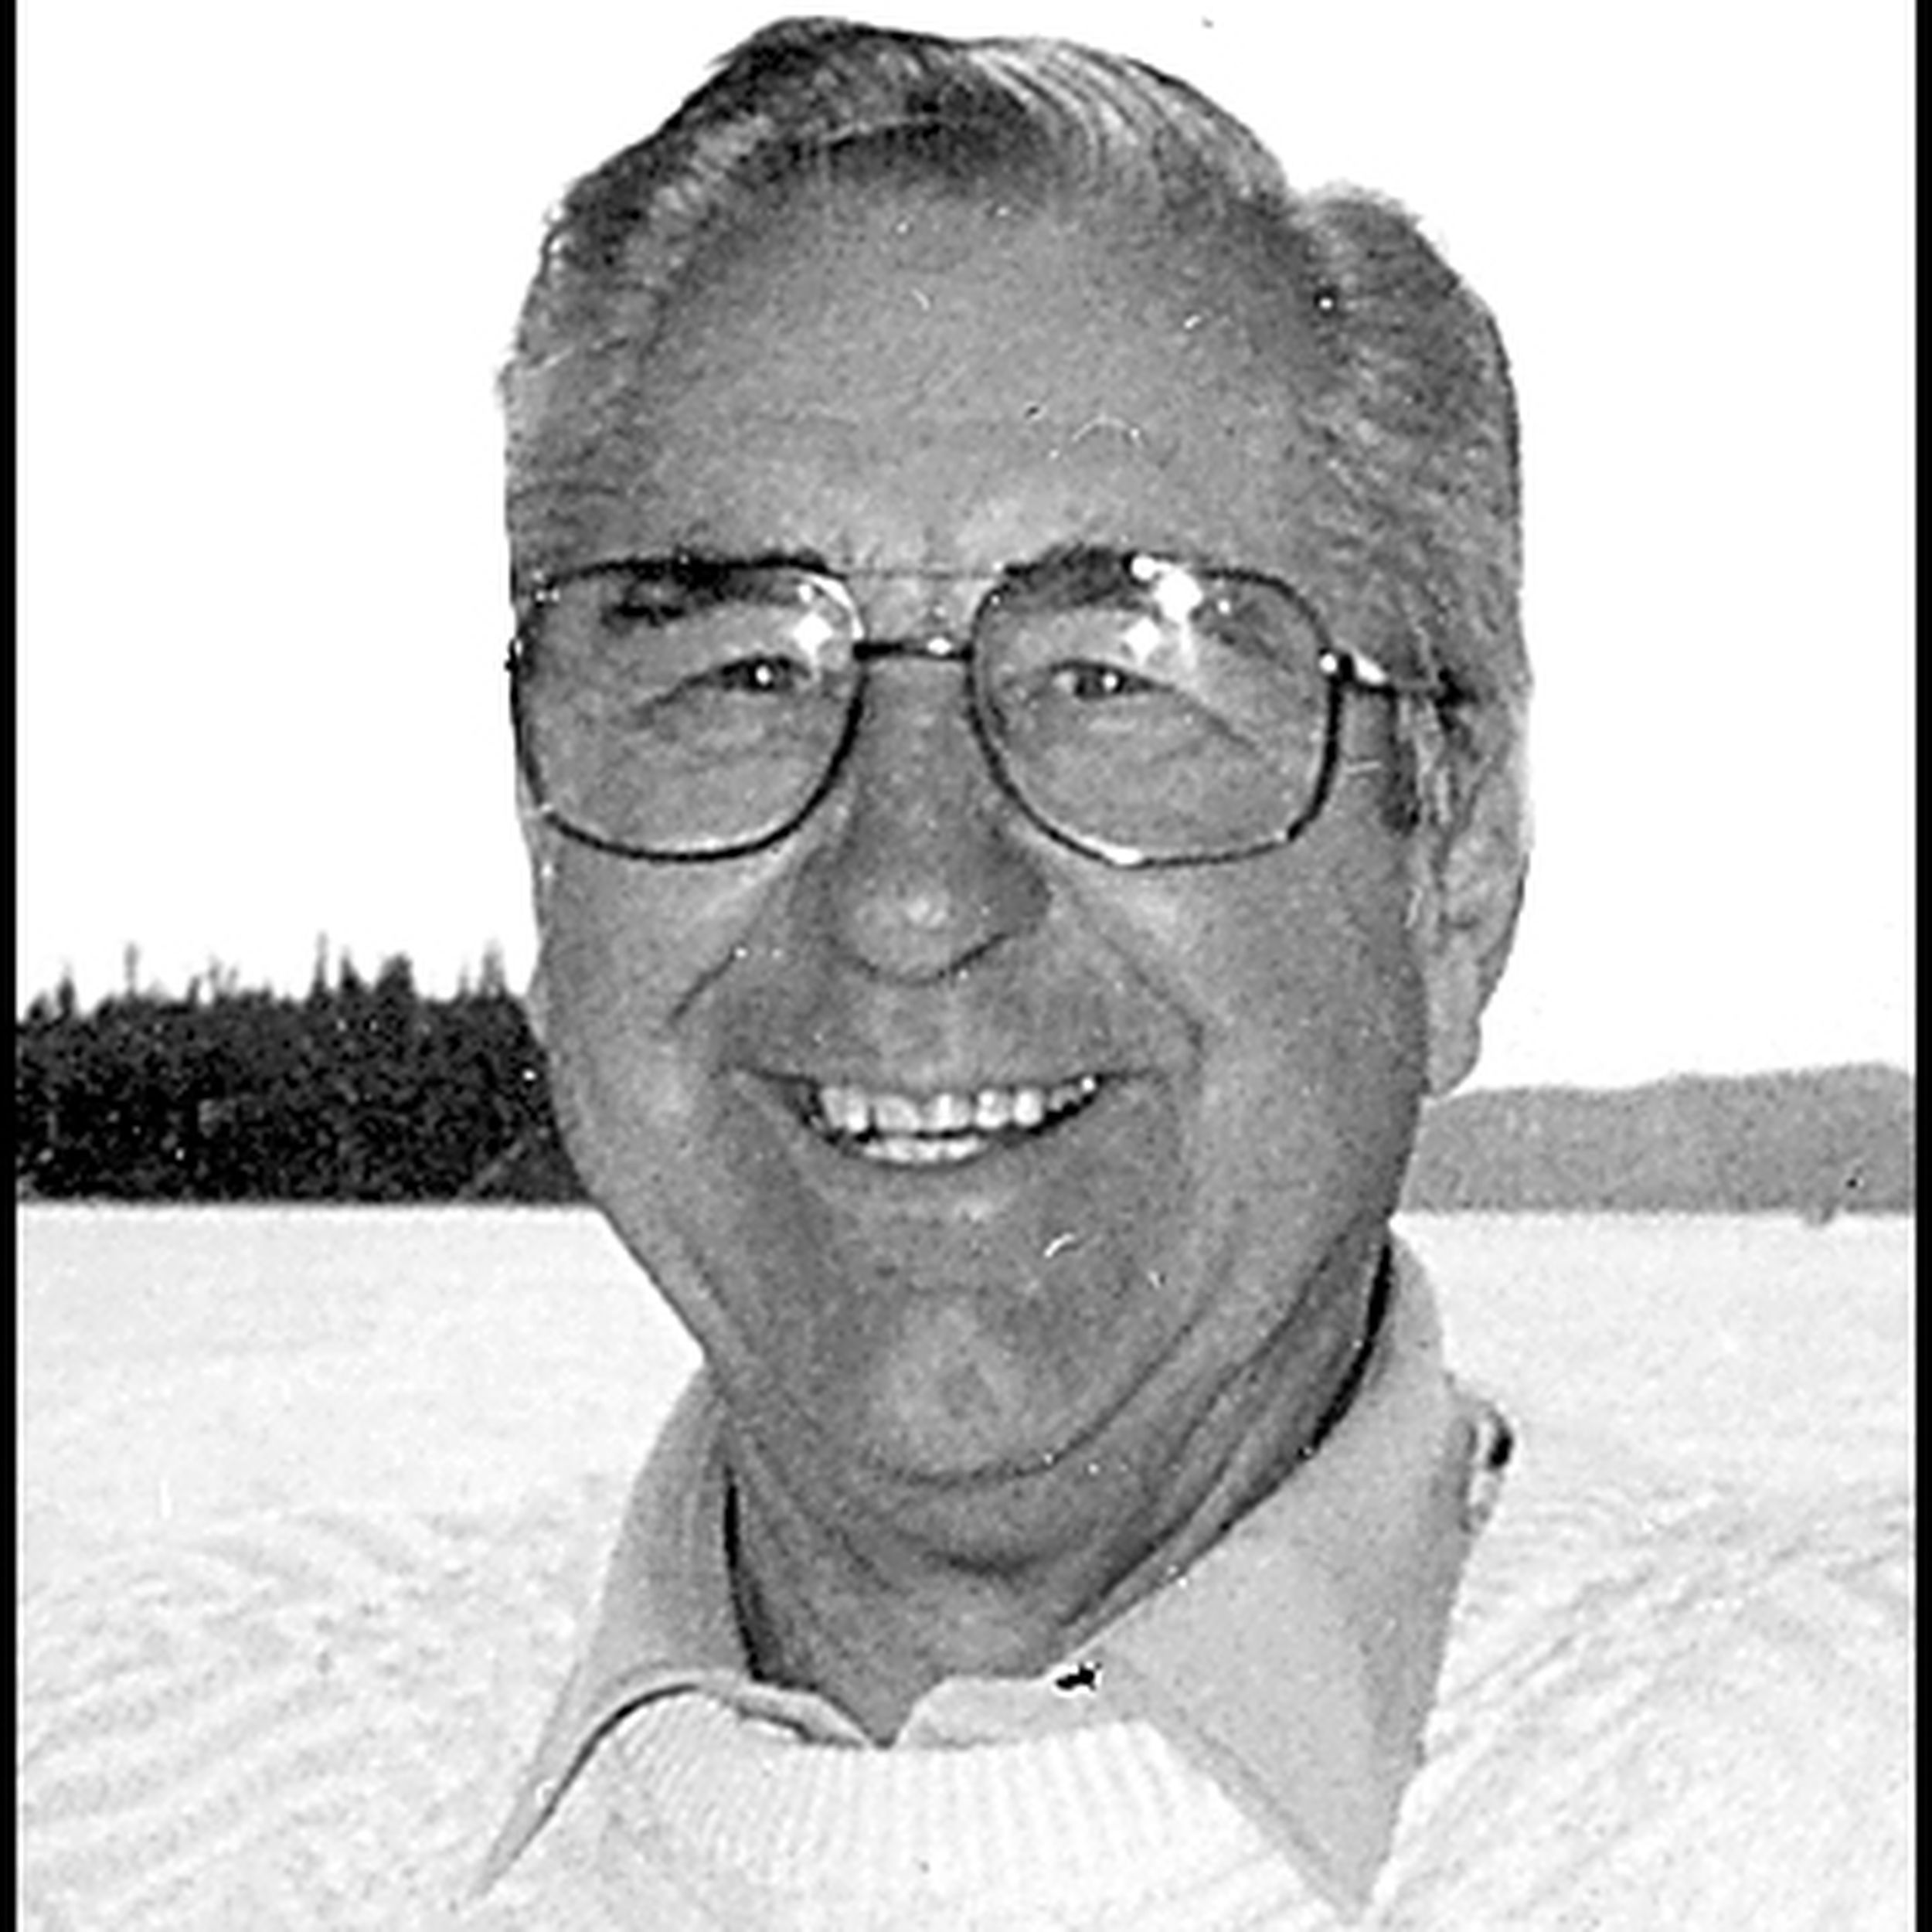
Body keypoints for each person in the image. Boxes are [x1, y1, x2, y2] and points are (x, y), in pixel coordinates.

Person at [19, 18, 1910, 1928]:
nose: (910, 894)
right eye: (741, 676)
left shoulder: (1852, 1790)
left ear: (1457, 870)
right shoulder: (105, 1790)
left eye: (1117, 677)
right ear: (542, 844)